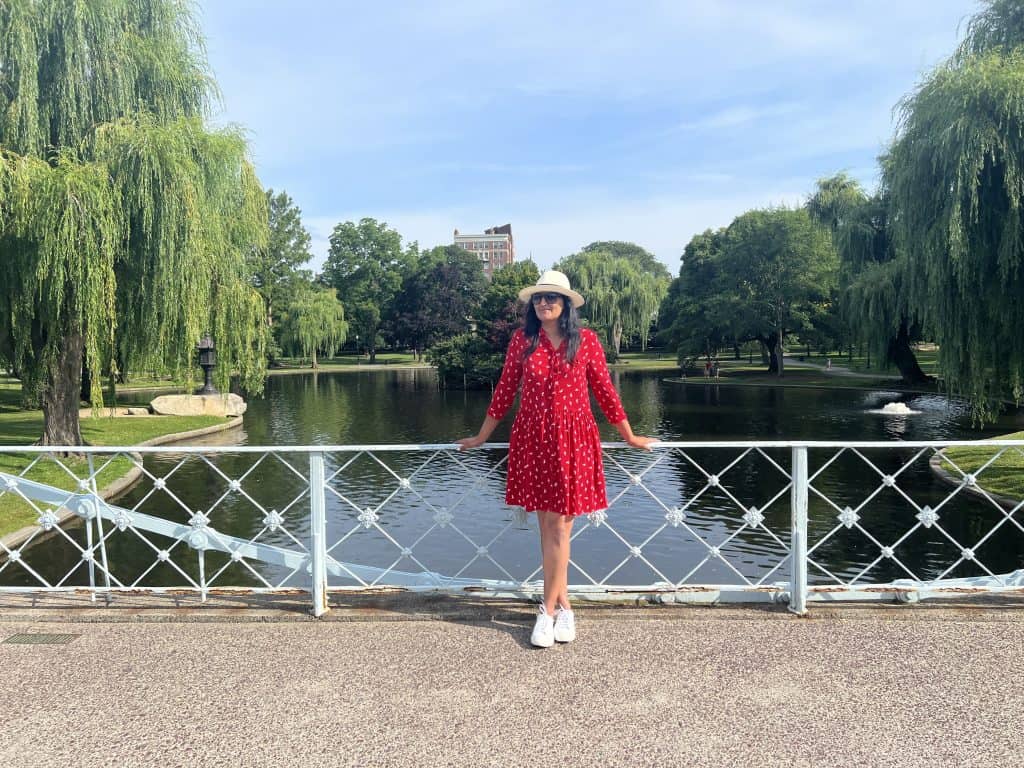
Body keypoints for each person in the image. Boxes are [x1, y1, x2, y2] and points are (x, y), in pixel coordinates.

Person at [458, 270, 657, 648]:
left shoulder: (586, 341)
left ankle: (547, 611)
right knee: (548, 527)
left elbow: (604, 390)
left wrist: (629, 435)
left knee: (559, 527)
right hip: (533, 438)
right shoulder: (522, 341)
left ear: (566, 303)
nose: (544, 303)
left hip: (573, 438)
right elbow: (505, 389)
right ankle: (564, 606)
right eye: (538, 298)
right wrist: (483, 435)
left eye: (552, 297)